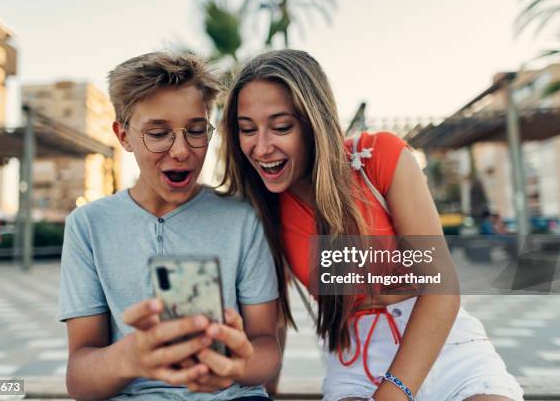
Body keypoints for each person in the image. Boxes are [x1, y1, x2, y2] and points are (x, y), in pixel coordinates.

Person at [219, 49, 524, 401]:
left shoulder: (377, 158)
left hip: (446, 348)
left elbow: (441, 289)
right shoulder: (261, 208)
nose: (261, 147)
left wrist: (393, 393)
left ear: (314, 122)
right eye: (246, 129)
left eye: (281, 127)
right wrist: (263, 393)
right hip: (355, 362)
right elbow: (272, 320)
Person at [58, 51, 281, 400]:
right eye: (158, 133)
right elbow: (80, 380)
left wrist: (237, 368)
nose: (181, 151)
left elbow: (267, 345)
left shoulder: (242, 219)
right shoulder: (88, 226)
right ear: (124, 135)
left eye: (195, 131)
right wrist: (130, 358)